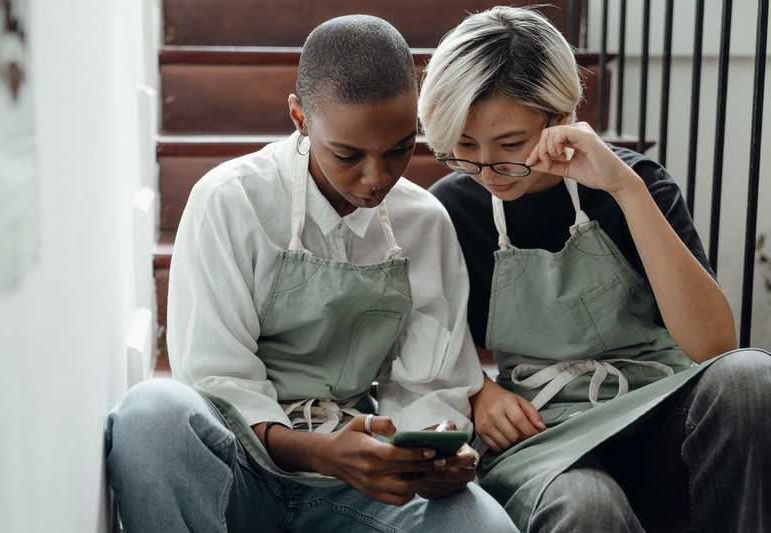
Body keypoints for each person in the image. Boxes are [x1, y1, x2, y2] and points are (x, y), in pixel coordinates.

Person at [105, 14, 516, 533]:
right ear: (299, 117)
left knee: (484, 526)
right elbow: (215, 378)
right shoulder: (231, 201)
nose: (376, 178)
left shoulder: (425, 223)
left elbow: (429, 385)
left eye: (398, 151)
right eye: (347, 155)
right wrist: (322, 453)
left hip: (360, 482)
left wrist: (429, 458)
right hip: (240, 471)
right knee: (150, 413)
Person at [419, 6, 771, 533]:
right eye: (464, 148)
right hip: (544, 437)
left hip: (658, 406)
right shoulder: (451, 208)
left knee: (750, 379)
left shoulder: (637, 184)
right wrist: (477, 389)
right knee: (587, 506)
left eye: (510, 145)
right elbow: (423, 348)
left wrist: (625, 191)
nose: (487, 170)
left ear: (560, 118)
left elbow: (715, 346)